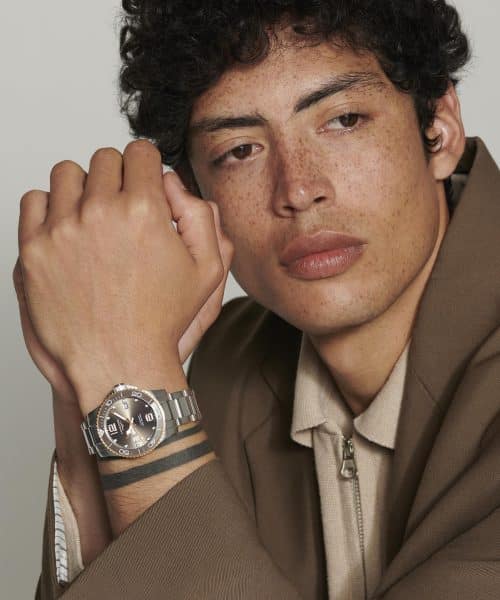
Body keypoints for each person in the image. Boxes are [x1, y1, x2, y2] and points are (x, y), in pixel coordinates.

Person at [12, 0, 499, 598]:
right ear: (195, 198)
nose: (298, 189)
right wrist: (91, 372)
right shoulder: (225, 368)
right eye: (240, 150)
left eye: (343, 120)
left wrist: (136, 400)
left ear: (440, 129)